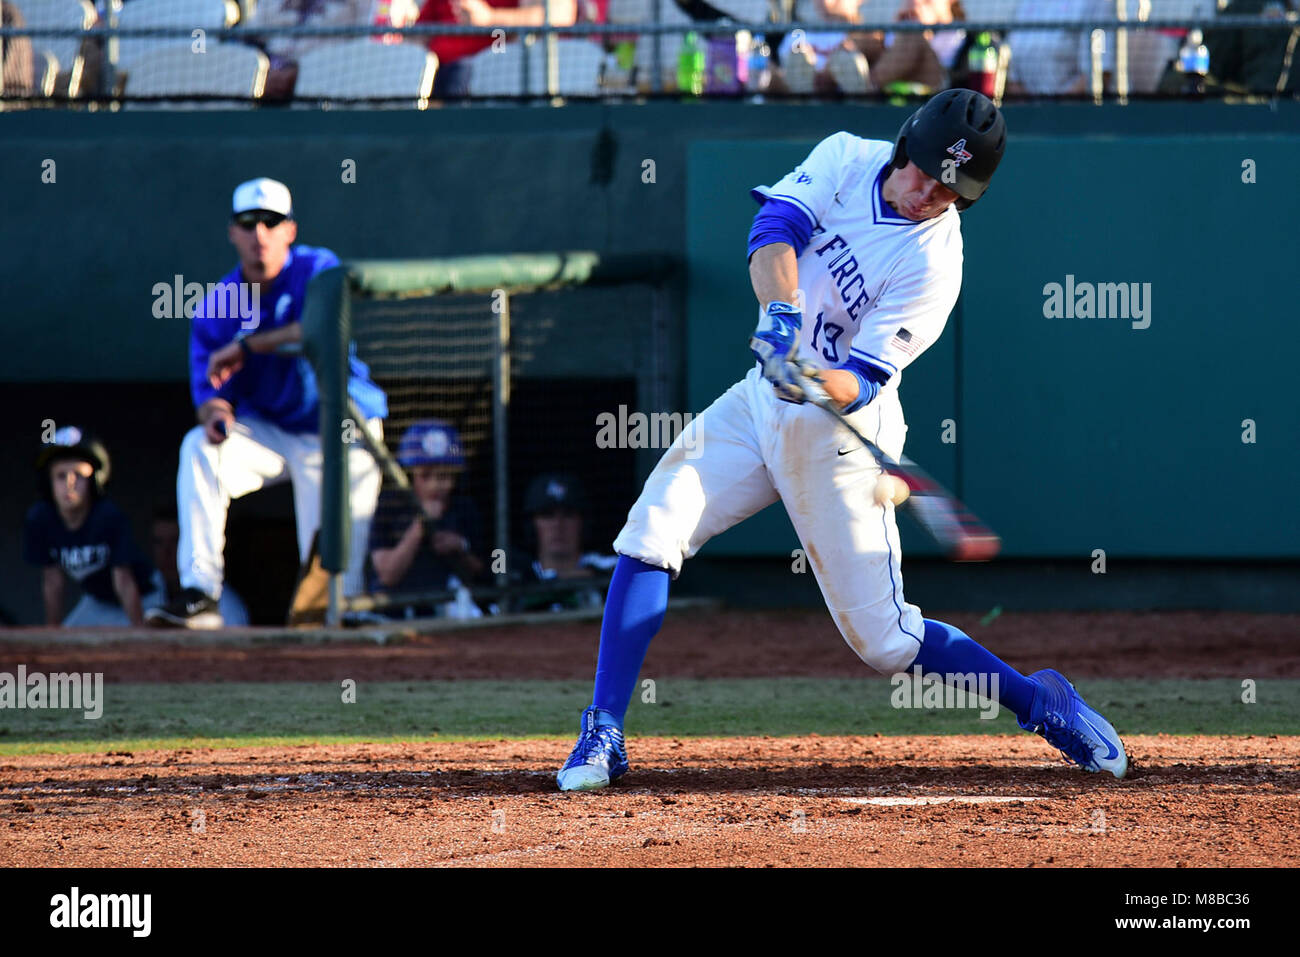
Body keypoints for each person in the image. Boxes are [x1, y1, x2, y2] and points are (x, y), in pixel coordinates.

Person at [556, 90, 1129, 792]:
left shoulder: (936, 265)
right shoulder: (845, 157)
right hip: (757, 401)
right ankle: (604, 730)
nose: (928, 193)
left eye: (950, 189)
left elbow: (860, 380)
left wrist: (814, 380)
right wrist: (779, 317)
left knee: (885, 642)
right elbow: (774, 229)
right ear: (905, 147)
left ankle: (1041, 700)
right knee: (652, 529)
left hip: (839, 437)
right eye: (923, 171)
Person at [146, 177, 387, 629]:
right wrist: (216, 414)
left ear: (289, 230)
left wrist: (250, 346)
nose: (260, 233)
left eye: (271, 222)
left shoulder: (319, 268)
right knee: (200, 446)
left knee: (333, 589)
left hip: (338, 427)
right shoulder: (219, 303)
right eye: (248, 222)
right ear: (232, 232)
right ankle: (200, 593)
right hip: (271, 431)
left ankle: (345, 607)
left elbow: (317, 326)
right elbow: (209, 396)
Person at [23, 427, 151, 627]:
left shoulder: (108, 516)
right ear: (48, 483)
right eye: (60, 476)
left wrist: (139, 632)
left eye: (79, 475)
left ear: (95, 480)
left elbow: (124, 580)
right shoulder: (41, 518)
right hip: (98, 602)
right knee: (63, 649)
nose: (69, 483)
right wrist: (53, 632)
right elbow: (52, 580)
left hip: (144, 597)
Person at [367, 420, 485, 618]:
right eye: (426, 475)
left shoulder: (464, 507)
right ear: (411, 474)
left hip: (450, 609)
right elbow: (387, 575)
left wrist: (460, 547)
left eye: (445, 476)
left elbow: (488, 570)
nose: (435, 486)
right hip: (393, 612)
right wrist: (418, 530)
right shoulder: (390, 505)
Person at [414, 0, 604, 98]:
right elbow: (416, 34)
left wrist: (489, 18)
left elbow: (561, 13)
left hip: (488, 71)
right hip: (438, 71)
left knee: (460, 74)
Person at [244, 0, 420, 100]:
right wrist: (260, 74)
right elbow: (250, 38)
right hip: (267, 78)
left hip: (330, 81)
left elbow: (371, 50)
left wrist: (302, 74)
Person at [510, 473, 616, 612]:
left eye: (568, 515)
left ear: (583, 523)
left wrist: (594, 575)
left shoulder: (607, 566)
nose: (558, 525)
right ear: (532, 525)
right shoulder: (519, 574)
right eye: (547, 515)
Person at [142, 503, 250, 627]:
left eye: (175, 541)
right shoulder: (141, 592)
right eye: (159, 542)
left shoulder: (225, 604)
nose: (167, 552)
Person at [1003, 0, 1117, 97]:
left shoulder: (1099, 3)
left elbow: (1099, 73)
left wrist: (1051, 112)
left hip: (1077, 114)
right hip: (1029, 115)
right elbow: (1012, 77)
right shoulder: (1026, 4)